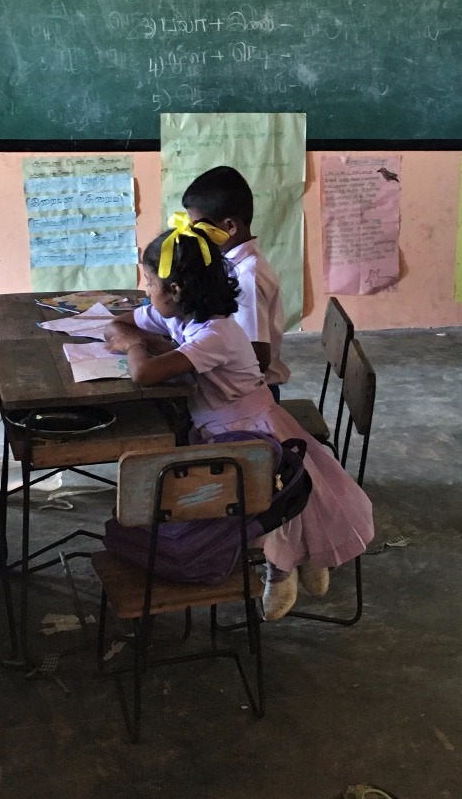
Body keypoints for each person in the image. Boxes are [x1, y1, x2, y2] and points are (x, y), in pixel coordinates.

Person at [103, 217, 373, 620]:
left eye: (148, 282)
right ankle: (306, 557)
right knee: (279, 498)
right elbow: (125, 322)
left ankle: (282, 570)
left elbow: (142, 371)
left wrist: (136, 346)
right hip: (222, 426)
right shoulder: (183, 316)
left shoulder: (217, 334)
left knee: (270, 501)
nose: (143, 291)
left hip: (248, 431)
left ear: (174, 290)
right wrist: (142, 338)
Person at [182, 165, 290, 399]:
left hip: (251, 395)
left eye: (200, 228)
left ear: (230, 226)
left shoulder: (247, 276)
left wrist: (197, 358)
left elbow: (257, 357)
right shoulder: (230, 264)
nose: (195, 236)